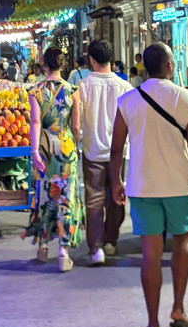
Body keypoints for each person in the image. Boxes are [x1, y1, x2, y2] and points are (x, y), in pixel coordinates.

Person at [111, 43, 188, 327]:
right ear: (170, 66)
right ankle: (179, 308)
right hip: (180, 184)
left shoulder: (128, 100)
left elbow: (116, 148)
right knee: (183, 241)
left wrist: (117, 181)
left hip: (143, 186)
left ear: (145, 67)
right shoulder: (186, 99)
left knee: (151, 253)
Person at [25, 47, 82, 272]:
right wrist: (75, 145)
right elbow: (75, 125)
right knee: (66, 197)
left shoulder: (35, 91)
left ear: (44, 65)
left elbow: (35, 122)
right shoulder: (72, 90)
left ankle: (43, 246)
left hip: (45, 148)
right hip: (66, 148)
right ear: (63, 64)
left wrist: (34, 151)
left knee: (45, 196)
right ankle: (63, 251)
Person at [78, 39, 131, 265]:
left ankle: (96, 248)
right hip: (119, 151)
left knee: (94, 198)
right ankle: (111, 240)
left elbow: (78, 121)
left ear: (91, 59)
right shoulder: (125, 87)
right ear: (111, 58)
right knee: (117, 195)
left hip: (92, 150)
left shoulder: (82, 86)